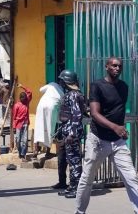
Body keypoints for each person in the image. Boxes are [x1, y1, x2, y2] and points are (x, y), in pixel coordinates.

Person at [75, 58, 138, 214]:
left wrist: (120, 131)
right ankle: (80, 212)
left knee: (132, 179)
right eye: (114, 65)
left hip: (118, 142)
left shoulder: (124, 87)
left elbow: (118, 111)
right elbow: (94, 113)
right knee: (87, 179)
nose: (117, 68)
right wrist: (115, 127)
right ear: (106, 66)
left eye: (120, 66)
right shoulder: (97, 86)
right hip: (98, 140)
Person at [57, 70, 87, 198]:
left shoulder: (73, 95)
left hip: (72, 132)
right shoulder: (70, 94)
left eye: (62, 80)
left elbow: (77, 114)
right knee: (71, 159)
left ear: (67, 81)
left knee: (75, 161)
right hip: (68, 130)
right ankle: (72, 186)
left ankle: (76, 189)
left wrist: (72, 133)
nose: (60, 83)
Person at [34, 77, 65, 150]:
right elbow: (60, 107)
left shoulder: (51, 84)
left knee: (38, 128)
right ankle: (48, 152)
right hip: (52, 106)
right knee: (50, 128)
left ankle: (36, 151)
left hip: (41, 105)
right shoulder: (62, 93)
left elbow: (40, 90)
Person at [12, 83, 32, 159]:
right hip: (18, 124)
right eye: (23, 99)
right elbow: (14, 117)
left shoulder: (27, 102)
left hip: (25, 123)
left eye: (25, 98)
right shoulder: (17, 105)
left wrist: (22, 86)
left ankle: (23, 154)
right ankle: (20, 152)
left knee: (24, 140)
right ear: (20, 98)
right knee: (18, 139)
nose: (24, 100)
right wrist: (14, 127)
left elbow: (30, 92)